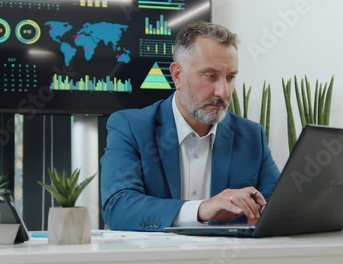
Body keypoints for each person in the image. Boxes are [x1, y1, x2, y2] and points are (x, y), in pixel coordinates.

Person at [100, 21, 280, 231]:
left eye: (230, 77)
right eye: (210, 76)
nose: (223, 92)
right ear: (177, 75)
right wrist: (201, 209)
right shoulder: (130, 126)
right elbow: (118, 206)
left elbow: (278, 206)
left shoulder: (251, 135)